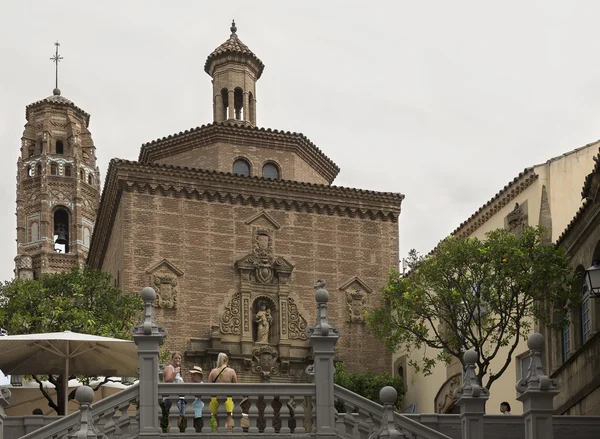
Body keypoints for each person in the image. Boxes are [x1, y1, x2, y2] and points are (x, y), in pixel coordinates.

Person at [208, 353, 238, 431]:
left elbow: (208, 387)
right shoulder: (231, 371)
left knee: (218, 424)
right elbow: (236, 386)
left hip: (215, 399)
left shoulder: (213, 372)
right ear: (225, 360)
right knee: (226, 423)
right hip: (228, 399)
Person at [163, 352, 185, 429]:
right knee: (173, 419)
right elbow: (168, 380)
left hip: (181, 398)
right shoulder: (169, 368)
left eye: (179, 358)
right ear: (172, 359)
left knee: (179, 420)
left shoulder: (179, 371)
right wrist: (175, 372)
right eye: (175, 358)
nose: (177, 360)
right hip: (171, 397)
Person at [190, 366, 205, 432]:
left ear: (200, 376)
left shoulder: (202, 386)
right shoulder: (191, 386)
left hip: (199, 414)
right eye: (191, 375)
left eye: (194, 375)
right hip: (190, 413)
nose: (192, 376)